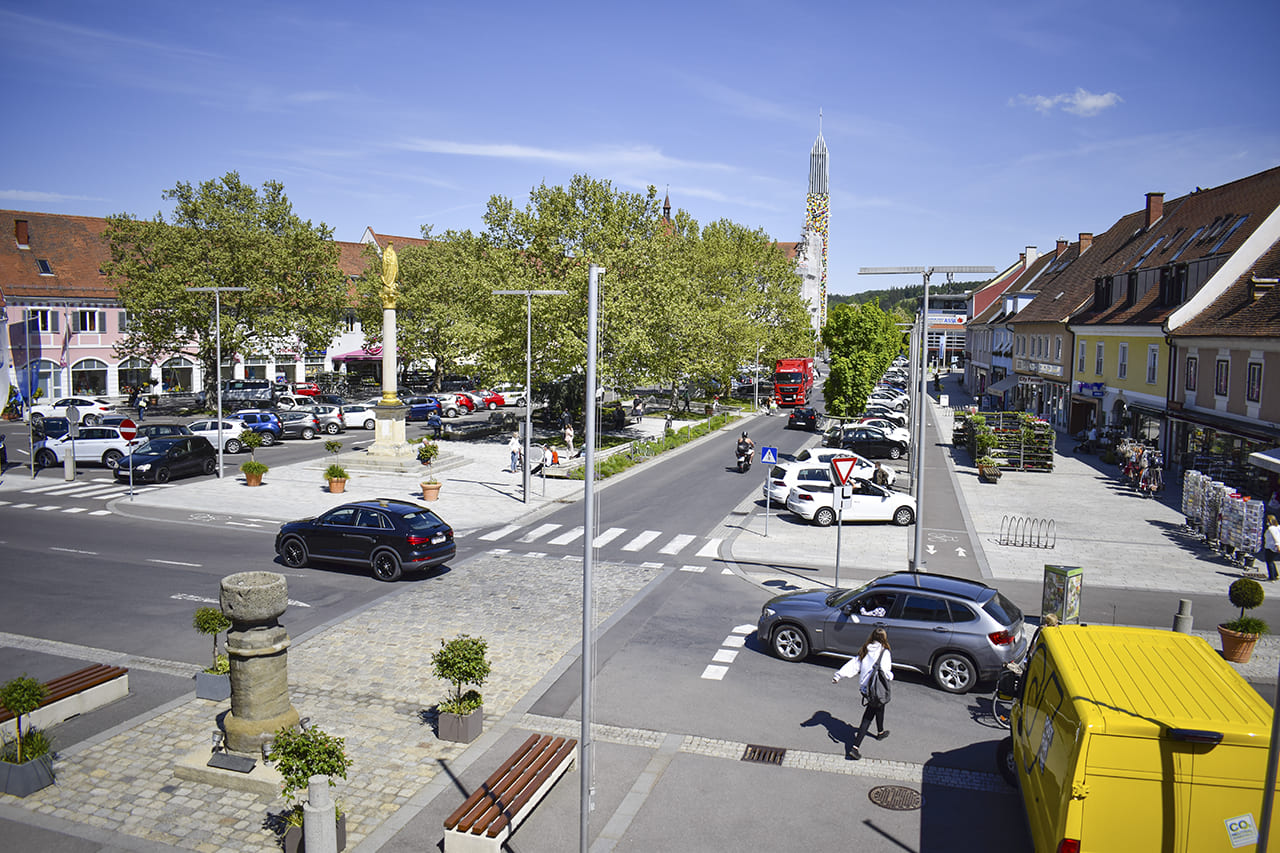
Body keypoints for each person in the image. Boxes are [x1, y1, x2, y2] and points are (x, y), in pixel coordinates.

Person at [832, 627, 893, 760]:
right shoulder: (885, 652)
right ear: (884, 638)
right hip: (876, 690)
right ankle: (855, 747)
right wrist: (891, 676)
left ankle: (880, 732)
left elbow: (853, 665)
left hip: (866, 689)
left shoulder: (865, 649)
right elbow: (886, 671)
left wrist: (838, 676)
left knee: (880, 707)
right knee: (868, 718)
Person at [1264, 515, 1280, 582]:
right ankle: (1276, 574)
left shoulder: (1271, 528)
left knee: (1269, 562)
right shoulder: (1278, 527)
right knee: (1271, 560)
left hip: (1270, 547)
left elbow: (1275, 537)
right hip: (1274, 547)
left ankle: (1272, 577)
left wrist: (1278, 545)